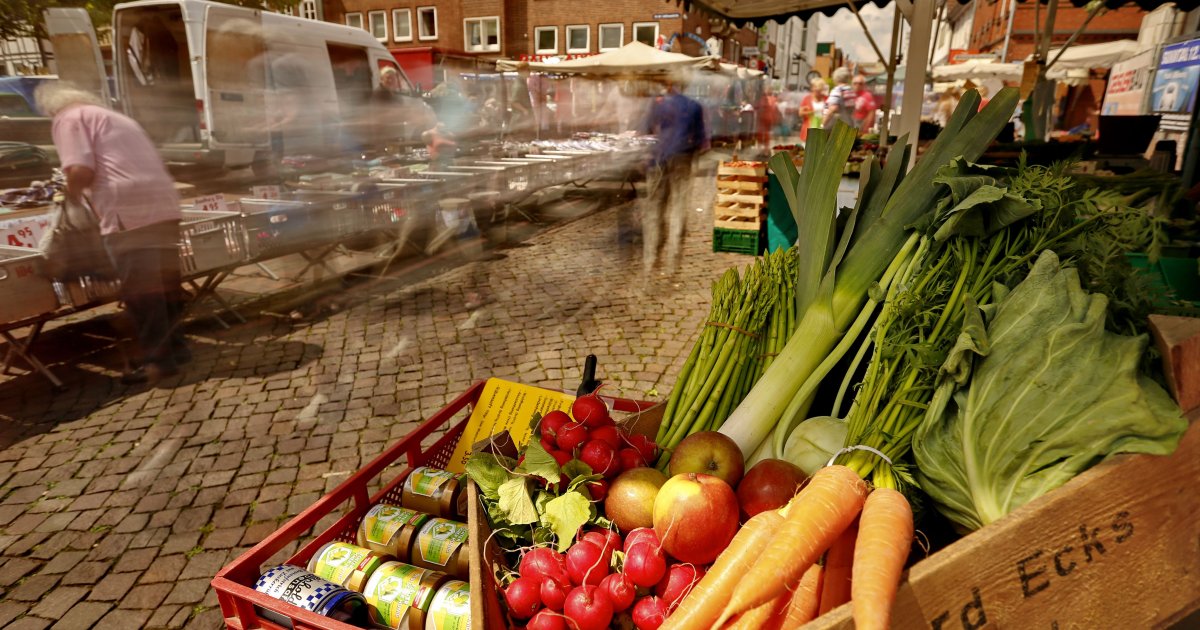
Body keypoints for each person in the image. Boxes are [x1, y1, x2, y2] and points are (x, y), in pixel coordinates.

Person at [36, 82, 188, 384]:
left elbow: (80, 170)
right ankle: (178, 349)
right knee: (165, 282)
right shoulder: (115, 117)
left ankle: (159, 361)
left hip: (127, 210)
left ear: (52, 108)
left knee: (141, 291)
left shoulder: (69, 118)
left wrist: (69, 197)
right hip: (163, 203)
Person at [639, 78, 707, 285]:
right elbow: (701, 140)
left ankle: (650, 264)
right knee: (678, 211)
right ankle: (672, 268)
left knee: (654, 212)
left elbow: (645, 133)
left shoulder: (658, 104)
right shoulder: (694, 106)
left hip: (659, 160)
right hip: (683, 160)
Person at [798, 77, 827, 143]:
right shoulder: (807, 99)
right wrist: (812, 112)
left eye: (819, 89)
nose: (817, 90)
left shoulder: (826, 99)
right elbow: (800, 113)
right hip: (809, 129)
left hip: (822, 130)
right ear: (812, 88)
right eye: (815, 88)